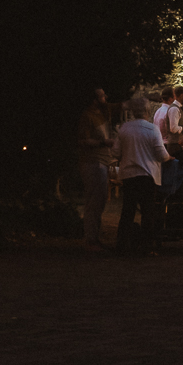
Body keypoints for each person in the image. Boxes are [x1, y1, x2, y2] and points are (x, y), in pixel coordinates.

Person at [114, 95, 171, 255]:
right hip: (148, 175)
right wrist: (168, 157)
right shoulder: (152, 129)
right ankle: (147, 246)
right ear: (147, 110)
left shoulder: (125, 128)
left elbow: (116, 152)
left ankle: (122, 244)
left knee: (127, 210)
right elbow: (161, 154)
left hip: (129, 175)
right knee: (148, 211)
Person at [77, 89, 115, 252]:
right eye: (101, 96)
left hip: (102, 161)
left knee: (99, 201)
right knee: (94, 201)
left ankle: (94, 238)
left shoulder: (102, 114)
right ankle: (91, 240)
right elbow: (83, 140)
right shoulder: (87, 117)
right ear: (94, 100)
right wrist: (102, 142)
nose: (105, 97)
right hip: (93, 162)